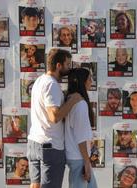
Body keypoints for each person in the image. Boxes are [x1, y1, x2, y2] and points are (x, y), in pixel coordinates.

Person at [27, 49, 82, 188]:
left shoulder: (40, 80)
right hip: (50, 146)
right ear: (58, 65)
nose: (69, 69)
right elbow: (54, 116)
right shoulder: (51, 84)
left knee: (35, 186)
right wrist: (73, 100)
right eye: (67, 64)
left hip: (34, 143)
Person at [65, 68, 98, 188]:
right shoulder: (80, 103)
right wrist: (86, 162)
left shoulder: (71, 99)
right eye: (89, 79)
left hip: (76, 157)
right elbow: (80, 138)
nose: (92, 82)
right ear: (82, 81)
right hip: (79, 158)